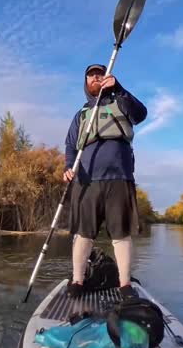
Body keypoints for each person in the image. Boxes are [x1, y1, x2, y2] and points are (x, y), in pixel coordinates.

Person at [63, 63, 148, 298]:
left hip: (119, 178)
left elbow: (140, 114)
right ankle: (78, 281)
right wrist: (68, 167)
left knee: (121, 234)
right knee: (83, 233)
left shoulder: (121, 101)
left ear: (107, 78)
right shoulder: (80, 115)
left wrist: (119, 88)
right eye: (91, 75)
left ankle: (124, 284)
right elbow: (71, 146)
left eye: (99, 74)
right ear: (86, 83)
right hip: (86, 181)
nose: (95, 78)